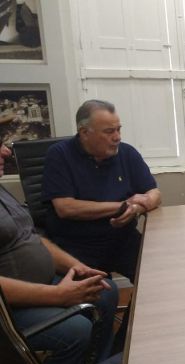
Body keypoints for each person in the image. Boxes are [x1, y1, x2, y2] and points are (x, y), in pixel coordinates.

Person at [0, 144, 118, 364]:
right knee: (76, 331)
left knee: (105, 290)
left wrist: (76, 266)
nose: (6, 151)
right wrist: (57, 296)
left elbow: (32, 237)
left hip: (42, 283)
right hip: (11, 308)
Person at [42, 100, 161, 283]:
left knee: (160, 278)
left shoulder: (127, 153)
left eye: (118, 130)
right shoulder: (59, 155)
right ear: (84, 133)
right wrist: (123, 206)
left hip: (123, 239)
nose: (117, 137)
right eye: (109, 131)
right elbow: (65, 207)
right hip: (78, 245)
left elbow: (154, 194)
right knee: (101, 292)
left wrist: (137, 208)